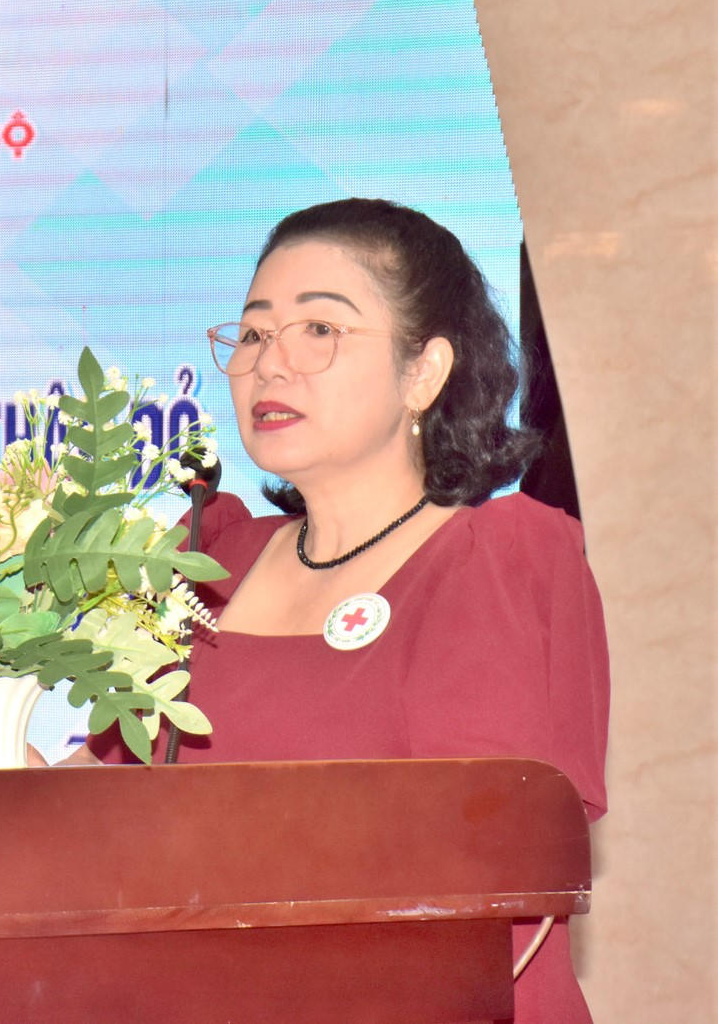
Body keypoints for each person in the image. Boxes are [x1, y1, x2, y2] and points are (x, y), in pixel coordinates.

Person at [77, 198, 610, 1023]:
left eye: (319, 329)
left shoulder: (496, 563)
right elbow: (86, 813)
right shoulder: (202, 564)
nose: (270, 364)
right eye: (253, 334)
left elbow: (493, 871)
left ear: (423, 372)